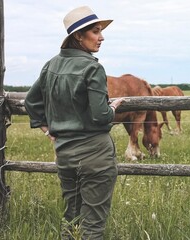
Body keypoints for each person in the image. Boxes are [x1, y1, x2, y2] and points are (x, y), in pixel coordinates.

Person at [24, 6, 124, 239]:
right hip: (95, 155)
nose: (102, 37)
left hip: (65, 153)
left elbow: (31, 101)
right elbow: (100, 116)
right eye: (96, 31)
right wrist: (112, 108)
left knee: (72, 217)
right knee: (93, 223)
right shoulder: (92, 67)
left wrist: (45, 127)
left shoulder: (51, 65)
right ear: (78, 36)